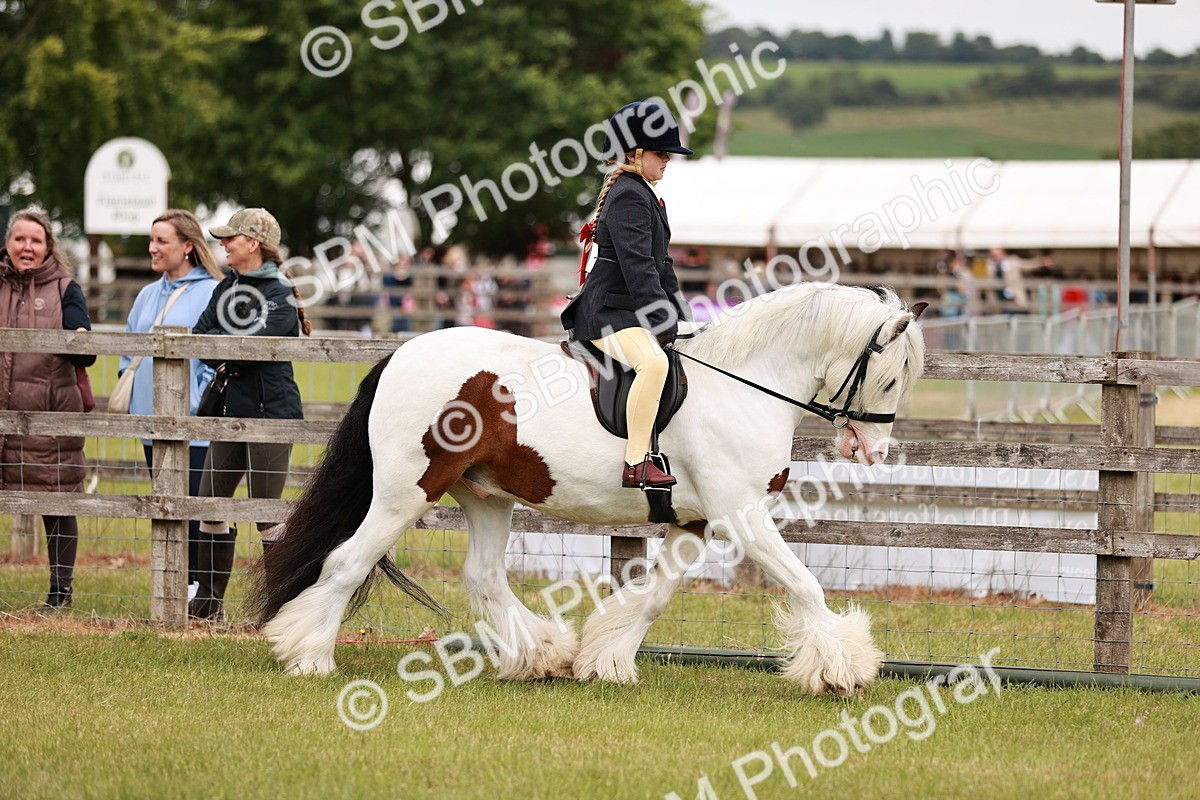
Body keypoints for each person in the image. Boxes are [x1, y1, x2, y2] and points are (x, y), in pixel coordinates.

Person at [560, 99, 693, 490]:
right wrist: (661, 320)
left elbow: (662, 266)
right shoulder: (630, 195)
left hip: (626, 310)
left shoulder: (644, 193)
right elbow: (639, 270)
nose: (667, 159)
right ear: (635, 153)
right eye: (660, 151)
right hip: (606, 313)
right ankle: (636, 461)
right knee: (653, 364)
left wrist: (681, 316)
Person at [190, 208, 311, 620]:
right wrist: (230, 345)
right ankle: (207, 606)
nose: (222, 244)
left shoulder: (280, 294)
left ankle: (279, 608)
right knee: (210, 505)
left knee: (267, 513)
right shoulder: (226, 286)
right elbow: (200, 340)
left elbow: (260, 344)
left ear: (253, 243)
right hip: (230, 410)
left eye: (230, 238)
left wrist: (227, 345)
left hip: (272, 414)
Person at [121, 210, 223, 599]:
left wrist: (197, 399)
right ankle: (174, 586)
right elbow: (128, 348)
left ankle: (202, 590)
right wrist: (131, 396)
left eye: (162, 241)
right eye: (151, 240)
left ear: (187, 246)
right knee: (165, 505)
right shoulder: (147, 295)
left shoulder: (213, 290)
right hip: (149, 421)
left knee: (195, 505)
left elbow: (216, 355)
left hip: (194, 425)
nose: (153, 248)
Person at [0, 208, 96, 608]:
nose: (27, 247)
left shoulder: (65, 289)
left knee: (57, 503)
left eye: (35, 240)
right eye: (20, 239)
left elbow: (85, 352)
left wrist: (77, 336)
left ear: (48, 247)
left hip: (49, 416)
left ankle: (60, 593)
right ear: (8, 242)